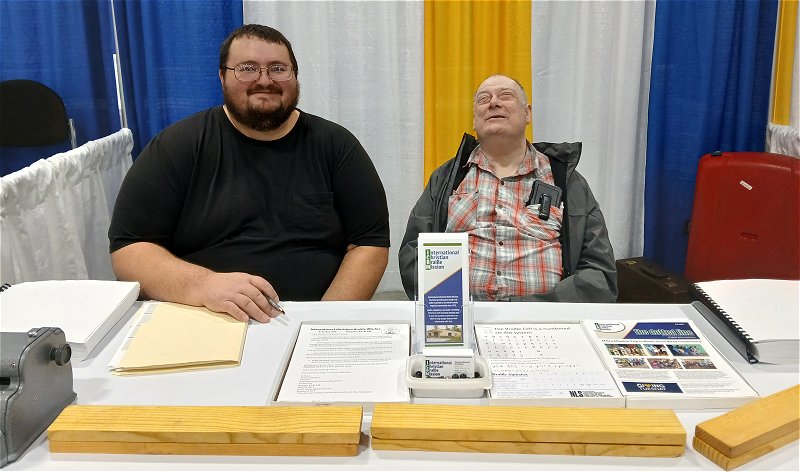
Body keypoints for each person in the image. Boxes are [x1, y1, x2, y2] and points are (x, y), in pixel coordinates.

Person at [109, 24, 390, 323]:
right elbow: (129, 249)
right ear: (222, 76)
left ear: (295, 76)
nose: (264, 80)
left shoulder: (336, 146)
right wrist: (203, 285)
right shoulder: (177, 147)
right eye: (247, 68)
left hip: (315, 321)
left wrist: (324, 322)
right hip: (204, 317)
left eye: (278, 69)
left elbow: (369, 243)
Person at [399, 74, 616, 302]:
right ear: (474, 120)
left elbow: (599, 273)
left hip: (547, 324)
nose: (494, 102)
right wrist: (453, 307)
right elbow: (413, 253)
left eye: (506, 96)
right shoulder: (446, 179)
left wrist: (533, 309)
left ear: (528, 113)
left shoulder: (566, 181)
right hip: (462, 320)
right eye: (484, 99)